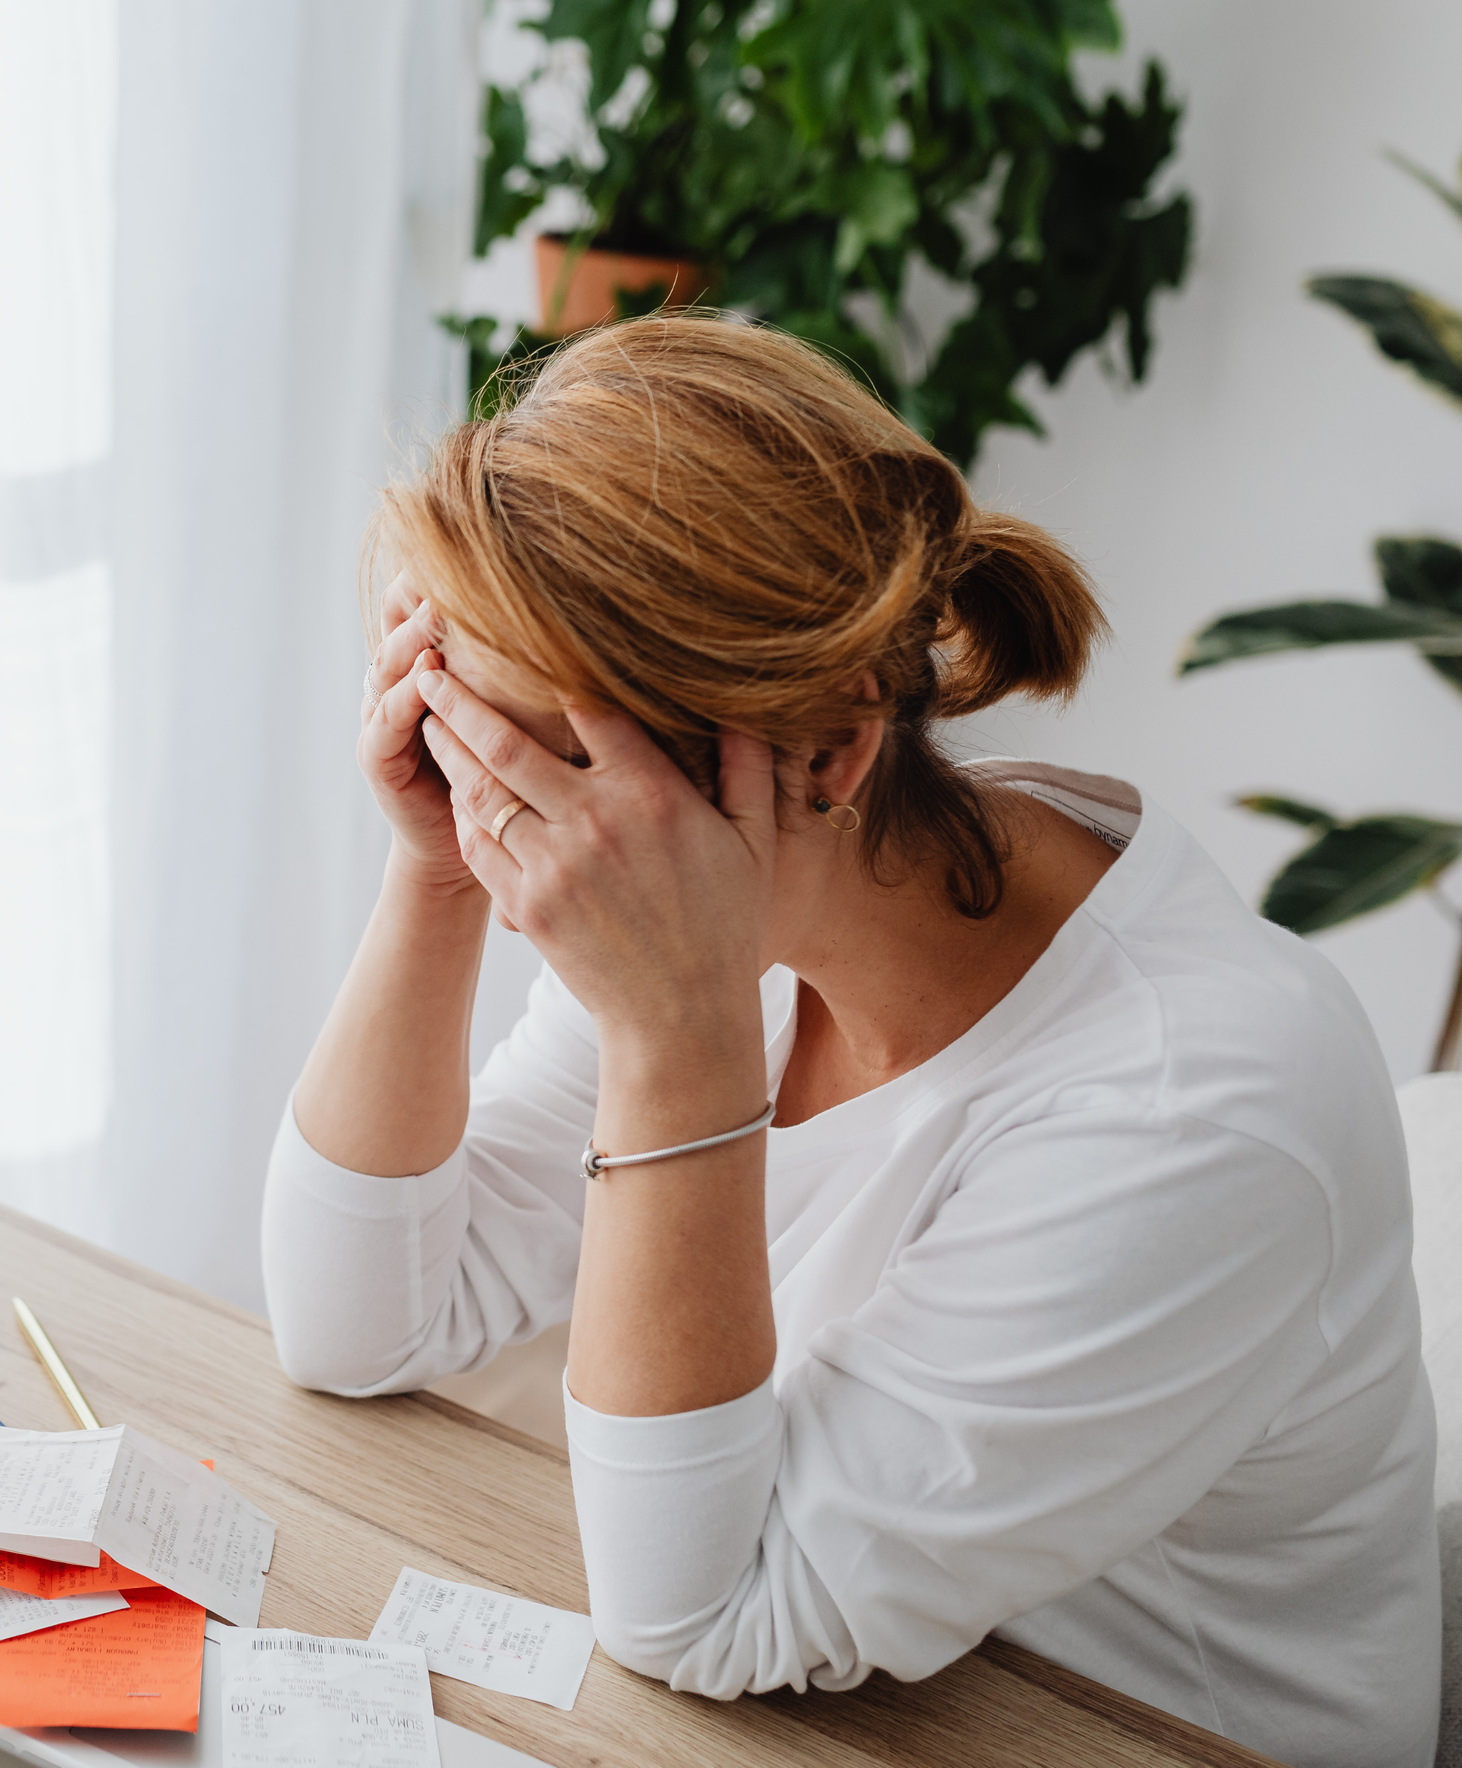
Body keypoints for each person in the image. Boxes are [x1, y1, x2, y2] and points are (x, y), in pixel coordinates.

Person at [263, 315, 1438, 1768]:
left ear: (826, 754)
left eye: (527, 767)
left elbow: (699, 1616)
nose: (514, 837)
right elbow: (359, 1324)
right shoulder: (735, 879)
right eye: (453, 739)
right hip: (855, 1691)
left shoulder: (1192, 1108)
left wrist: (677, 1042)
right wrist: (432, 872)